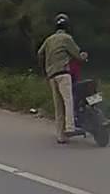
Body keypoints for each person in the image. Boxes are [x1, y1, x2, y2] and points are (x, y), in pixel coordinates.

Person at [37, 13, 88, 143]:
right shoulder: (67, 38)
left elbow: (40, 53)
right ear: (67, 26)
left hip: (51, 75)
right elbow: (77, 55)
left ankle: (60, 136)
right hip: (63, 73)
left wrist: (45, 69)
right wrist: (83, 57)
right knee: (68, 100)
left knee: (58, 106)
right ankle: (70, 127)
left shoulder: (49, 40)